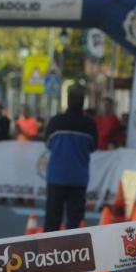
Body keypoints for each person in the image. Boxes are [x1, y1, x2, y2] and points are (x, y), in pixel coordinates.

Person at [43, 85, 97, 231]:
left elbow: (48, 144)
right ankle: (72, 251)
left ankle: (48, 250)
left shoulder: (56, 122)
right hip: (78, 179)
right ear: (83, 101)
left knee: (52, 220)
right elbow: (93, 147)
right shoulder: (89, 124)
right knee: (74, 222)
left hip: (56, 177)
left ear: (67, 100)